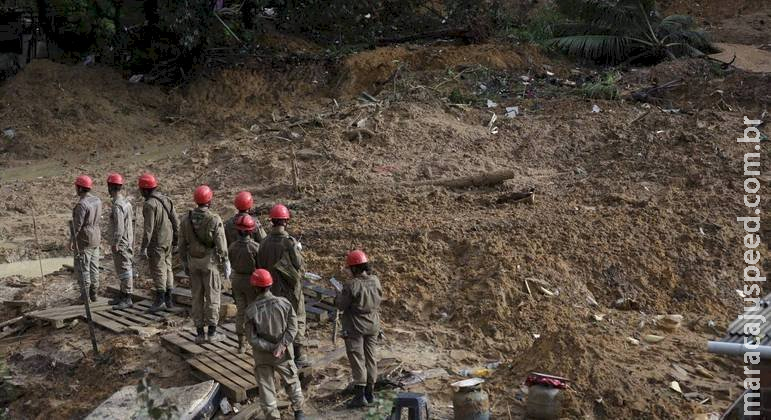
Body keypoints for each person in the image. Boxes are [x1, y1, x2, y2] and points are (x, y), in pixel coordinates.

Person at [244, 269, 305, 420]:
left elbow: (252, 339)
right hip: (283, 354)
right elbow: (293, 327)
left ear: (255, 287)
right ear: (270, 285)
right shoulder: (284, 303)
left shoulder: (251, 311)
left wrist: (271, 347)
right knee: (291, 381)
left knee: (266, 388)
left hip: (263, 356)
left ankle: (273, 417)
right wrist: (281, 345)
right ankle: (299, 413)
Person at [255, 204, 308, 367]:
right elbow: (299, 265)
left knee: (277, 321)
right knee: (297, 318)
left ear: (272, 221)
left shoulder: (263, 242)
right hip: (290, 290)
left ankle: (280, 354)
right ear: (285, 221)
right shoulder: (289, 242)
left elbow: (259, 265)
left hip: (271, 289)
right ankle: (299, 356)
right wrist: (299, 250)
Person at [178, 185, 230, 344]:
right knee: (213, 297)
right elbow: (221, 245)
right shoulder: (214, 219)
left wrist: (185, 263)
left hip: (193, 263)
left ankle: (200, 333)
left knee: (197, 298)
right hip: (210, 264)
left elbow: (181, 244)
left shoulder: (186, 220)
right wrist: (225, 262)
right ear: (209, 200)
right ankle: (212, 333)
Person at [335, 250, 382, 408]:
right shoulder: (375, 280)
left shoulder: (351, 284)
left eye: (349, 268)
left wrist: (338, 295)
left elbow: (341, 305)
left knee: (357, 359)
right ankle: (370, 394)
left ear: (354, 268)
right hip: (373, 323)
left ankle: (359, 396)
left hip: (356, 325)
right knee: (371, 358)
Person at [138, 173, 180, 312]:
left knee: (158, 269)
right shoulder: (166, 199)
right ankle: (169, 299)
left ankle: (160, 299)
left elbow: (148, 229)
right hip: (168, 239)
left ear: (144, 190)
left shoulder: (149, 205)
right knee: (168, 268)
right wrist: (176, 239)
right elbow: (175, 220)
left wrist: (143, 247)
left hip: (157, 242)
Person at [228, 213, 261, 353]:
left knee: (241, 311)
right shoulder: (255, 247)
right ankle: (254, 342)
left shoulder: (232, 246)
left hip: (236, 280)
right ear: (251, 230)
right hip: (251, 281)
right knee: (253, 310)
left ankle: (241, 344)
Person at [70, 175, 102, 303]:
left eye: (77, 187)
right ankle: (94, 294)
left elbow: (77, 225)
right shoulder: (97, 200)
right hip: (96, 236)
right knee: (95, 267)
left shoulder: (81, 204)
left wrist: (72, 240)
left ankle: (85, 297)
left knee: (83, 268)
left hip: (85, 239)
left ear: (80, 188)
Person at [106, 173, 134, 309]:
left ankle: (127, 297)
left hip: (121, 242)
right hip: (127, 240)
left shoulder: (117, 205)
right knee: (123, 269)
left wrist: (115, 243)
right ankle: (123, 294)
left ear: (110, 187)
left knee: (124, 269)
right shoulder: (126, 202)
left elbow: (119, 227)